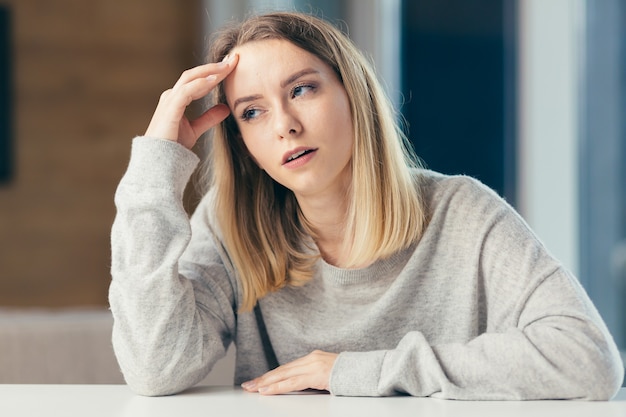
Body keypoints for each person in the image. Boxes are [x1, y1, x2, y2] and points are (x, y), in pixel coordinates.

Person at [109, 11, 624, 399]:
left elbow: (589, 358)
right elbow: (157, 367)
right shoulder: (230, 224)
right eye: (252, 112)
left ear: (353, 93)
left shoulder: (461, 213)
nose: (284, 123)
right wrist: (157, 168)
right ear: (242, 142)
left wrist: (351, 371)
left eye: (303, 89)